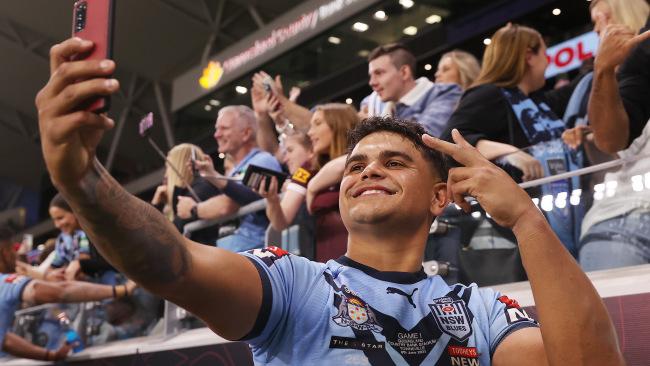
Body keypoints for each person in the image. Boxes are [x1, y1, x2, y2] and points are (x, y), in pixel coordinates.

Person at [37, 38, 625, 364]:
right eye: (358, 164)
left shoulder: (482, 313)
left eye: (395, 162)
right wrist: (83, 182)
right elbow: (173, 264)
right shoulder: (294, 284)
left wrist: (523, 215)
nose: (367, 171)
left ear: (440, 197)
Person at [442, 24, 586, 256]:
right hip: (520, 230)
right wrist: (509, 152)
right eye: (544, 52)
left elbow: (579, 87)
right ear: (529, 56)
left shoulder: (538, 102)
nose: (548, 61)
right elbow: (449, 142)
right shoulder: (488, 94)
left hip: (565, 214)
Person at [576, 1, 650, 270]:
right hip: (626, 216)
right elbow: (612, 140)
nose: (596, 29)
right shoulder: (634, 63)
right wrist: (604, 70)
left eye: (599, 19)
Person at [0, 227, 137, 362]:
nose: (16, 255)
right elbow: (61, 292)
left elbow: (6, 340)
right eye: (13, 249)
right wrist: (122, 289)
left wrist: (49, 356)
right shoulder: (6, 283)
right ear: (4, 252)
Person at [175, 105, 283, 252]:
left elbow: (227, 204)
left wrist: (194, 209)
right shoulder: (234, 171)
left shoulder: (263, 161)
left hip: (255, 254)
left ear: (246, 133)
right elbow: (229, 199)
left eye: (224, 128)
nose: (216, 135)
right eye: (216, 128)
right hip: (232, 254)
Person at [361, 43, 462, 136]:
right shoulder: (376, 103)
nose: (372, 82)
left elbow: (423, 139)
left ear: (404, 72)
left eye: (379, 73)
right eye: (371, 75)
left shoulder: (445, 93)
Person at [151, 143, 221, 245]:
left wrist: (156, 205)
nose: (166, 175)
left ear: (179, 166)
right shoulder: (199, 188)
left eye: (168, 167)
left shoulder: (201, 188)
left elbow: (165, 236)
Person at [46, 194, 116, 284]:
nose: (57, 225)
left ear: (75, 211)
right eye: (54, 220)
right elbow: (53, 266)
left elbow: (117, 263)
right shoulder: (66, 239)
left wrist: (80, 264)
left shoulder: (100, 230)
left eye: (60, 218)